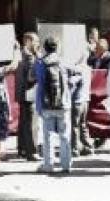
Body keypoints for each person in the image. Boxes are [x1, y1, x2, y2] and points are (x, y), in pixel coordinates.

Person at [34, 36, 72, 174]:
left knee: (48, 136)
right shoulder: (64, 61)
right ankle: (66, 164)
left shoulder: (40, 63)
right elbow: (74, 77)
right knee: (64, 135)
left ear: (45, 48)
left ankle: (48, 164)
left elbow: (37, 80)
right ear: (57, 47)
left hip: (46, 104)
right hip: (63, 103)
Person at [15, 32, 40, 161]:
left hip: (21, 93)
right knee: (30, 123)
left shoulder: (19, 54)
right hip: (29, 93)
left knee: (23, 122)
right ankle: (31, 151)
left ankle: (22, 149)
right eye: (35, 41)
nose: (38, 44)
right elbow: (31, 78)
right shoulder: (30, 57)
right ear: (28, 42)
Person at [68, 53, 93, 157]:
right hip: (86, 100)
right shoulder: (88, 68)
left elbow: (71, 82)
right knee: (83, 125)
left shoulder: (78, 69)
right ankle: (88, 147)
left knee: (74, 126)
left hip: (77, 101)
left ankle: (74, 149)